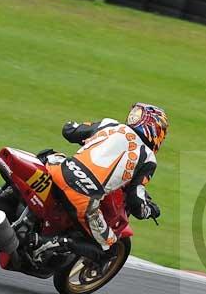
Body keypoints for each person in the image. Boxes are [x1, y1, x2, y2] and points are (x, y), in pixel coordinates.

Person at [42, 103, 168, 258]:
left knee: (49, 154)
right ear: (156, 131)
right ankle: (58, 243)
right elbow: (136, 201)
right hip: (83, 197)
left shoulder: (110, 124)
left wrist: (81, 131)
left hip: (58, 170)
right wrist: (149, 210)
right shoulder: (148, 159)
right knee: (108, 246)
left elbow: (70, 131)